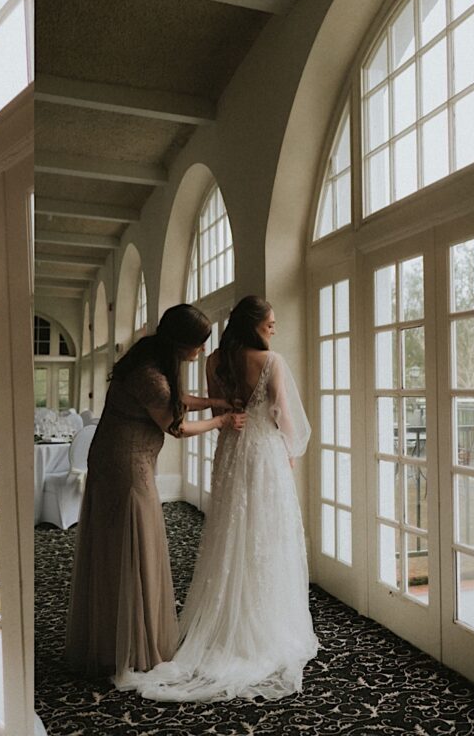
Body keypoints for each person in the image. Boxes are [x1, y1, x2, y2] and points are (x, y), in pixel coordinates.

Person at [116, 295, 318, 701]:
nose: (274, 329)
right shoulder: (272, 362)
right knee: (266, 535)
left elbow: (219, 402)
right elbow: (281, 412)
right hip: (263, 453)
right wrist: (291, 452)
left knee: (229, 531)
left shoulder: (213, 362)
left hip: (230, 450)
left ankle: (228, 622)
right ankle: (264, 625)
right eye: (270, 324)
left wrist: (229, 415)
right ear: (254, 325)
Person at [65, 304, 245, 678]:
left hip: (120, 456)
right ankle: (133, 643)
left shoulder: (151, 360)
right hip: (125, 464)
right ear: (182, 343)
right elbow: (175, 425)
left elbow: (175, 399)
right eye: (197, 346)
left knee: (121, 547)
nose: (199, 352)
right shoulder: (150, 374)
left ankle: (115, 637)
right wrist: (222, 419)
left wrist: (214, 401)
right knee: (135, 544)